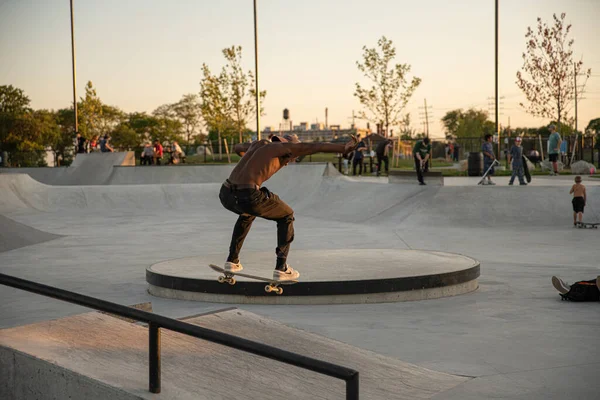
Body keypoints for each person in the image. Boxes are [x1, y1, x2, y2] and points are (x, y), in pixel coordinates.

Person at [219, 135, 359, 281]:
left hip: (226, 194)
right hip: (248, 195)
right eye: (292, 157)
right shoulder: (283, 148)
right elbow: (315, 147)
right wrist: (343, 148)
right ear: (288, 145)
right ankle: (281, 268)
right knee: (287, 215)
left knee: (247, 212)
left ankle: (232, 260)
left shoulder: (257, 145)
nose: (289, 162)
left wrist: (250, 161)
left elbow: (237, 148)